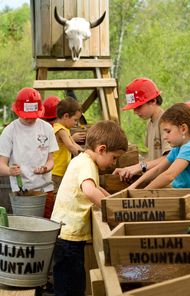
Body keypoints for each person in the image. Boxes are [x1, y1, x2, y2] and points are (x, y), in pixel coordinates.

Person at [51, 120, 128, 296]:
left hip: (67, 234)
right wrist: (115, 213)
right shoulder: (86, 164)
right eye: (114, 157)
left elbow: (98, 189)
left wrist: (113, 201)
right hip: (68, 237)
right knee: (71, 286)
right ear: (101, 149)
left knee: (73, 280)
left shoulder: (84, 161)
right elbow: (90, 191)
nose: (113, 163)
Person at [129, 103, 190, 213]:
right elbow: (158, 169)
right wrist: (134, 185)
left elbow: (169, 175)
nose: (165, 137)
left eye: (168, 131)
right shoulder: (178, 149)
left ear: (183, 129)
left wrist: (145, 193)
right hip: (189, 205)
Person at [0, 87, 59, 218]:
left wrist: (45, 168)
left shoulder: (47, 128)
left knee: (45, 227)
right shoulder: (10, 131)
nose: (29, 119)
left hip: (45, 190)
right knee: (26, 228)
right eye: (26, 116)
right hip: (22, 193)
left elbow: (51, 160)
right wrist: (9, 170)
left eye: (33, 116)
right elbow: (1, 165)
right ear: (17, 111)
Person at [113, 77, 171, 180]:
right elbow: (153, 158)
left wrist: (139, 167)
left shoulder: (166, 122)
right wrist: (130, 168)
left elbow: (170, 158)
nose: (135, 111)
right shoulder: (150, 122)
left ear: (153, 101)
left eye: (138, 107)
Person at [52, 97, 85, 194]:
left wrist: (86, 153)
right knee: (57, 195)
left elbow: (74, 143)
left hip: (61, 171)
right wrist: (82, 156)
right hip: (56, 171)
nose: (76, 123)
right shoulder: (60, 130)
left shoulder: (65, 129)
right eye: (75, 120)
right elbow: (70, 146)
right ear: (66, 116)